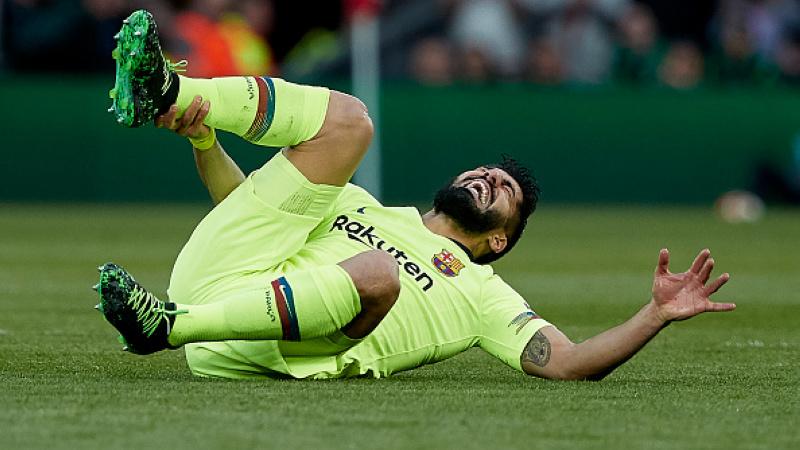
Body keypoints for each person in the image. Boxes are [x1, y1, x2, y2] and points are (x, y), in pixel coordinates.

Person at [96, 10, 736, 380]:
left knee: (376, 274)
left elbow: (563, 361)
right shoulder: (361, 206)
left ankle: (167, 328)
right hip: (219, 282)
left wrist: (655, 314)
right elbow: (247, 211)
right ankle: (173, 95)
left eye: (503, 189)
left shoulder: (485, 295)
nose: (485, 178)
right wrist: (204, 140)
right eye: (484, 171)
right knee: (349, 124)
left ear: (499, 239)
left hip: (256, 351)